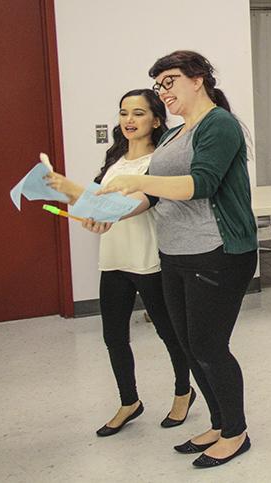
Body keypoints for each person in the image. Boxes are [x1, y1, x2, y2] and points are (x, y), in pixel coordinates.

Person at [97, 51, 258, 468]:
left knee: (209, 345)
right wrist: (109, 215)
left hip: (218, 251)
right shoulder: (173, 135)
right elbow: (152, 197)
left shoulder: (218, 125)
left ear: (198, 79)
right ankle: (220, 423)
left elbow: (201, 184)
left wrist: (136, 177)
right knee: (189, 346)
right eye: (158, 85)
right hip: (175, 253)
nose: (163, 92)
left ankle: (236, 433)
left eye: (169, 81)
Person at [45, 89, 194, 436]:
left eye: (139, 113)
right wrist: (73, 201)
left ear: (156, 119)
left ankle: (184, 391)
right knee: (113, 336)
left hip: (149, 259)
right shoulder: (115, 160)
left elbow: (145, 201)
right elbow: (95, 200)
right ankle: (130, 401)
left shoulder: (160, 161)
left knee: (170, 334)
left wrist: (107, 212)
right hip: (112, 259)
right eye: (124, 113)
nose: (129, 120)